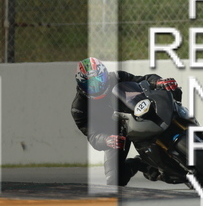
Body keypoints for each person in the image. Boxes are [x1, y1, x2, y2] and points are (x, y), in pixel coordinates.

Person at [70, 57, 181, 186]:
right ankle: (140, 163)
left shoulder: (117, 77)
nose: (97, 87)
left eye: (100, 79)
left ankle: (186, 126)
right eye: (91, 85)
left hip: (138, 115)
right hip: (115, 134)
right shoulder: (79, 108)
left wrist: (158, 82)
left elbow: (143, 80)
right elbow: (92, 135)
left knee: (172, 91)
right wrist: (106, 140)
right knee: (114, 180)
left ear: (105, 74)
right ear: (81, 85)